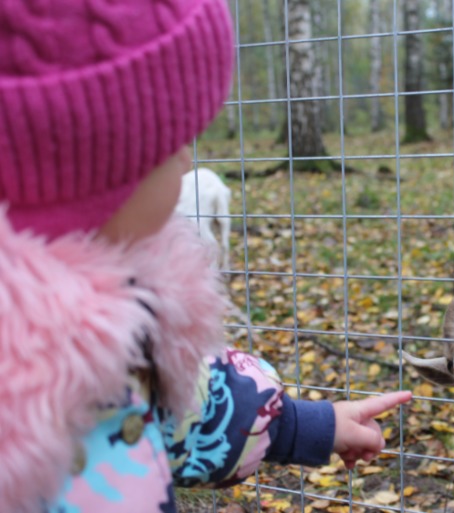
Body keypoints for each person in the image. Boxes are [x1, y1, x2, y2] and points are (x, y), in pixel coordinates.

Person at [0, 1, 411, 512]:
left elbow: (192, 407)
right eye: (173, 144)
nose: (189, 160)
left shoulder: (139, 311)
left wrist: (309, 424)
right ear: (94, 172)